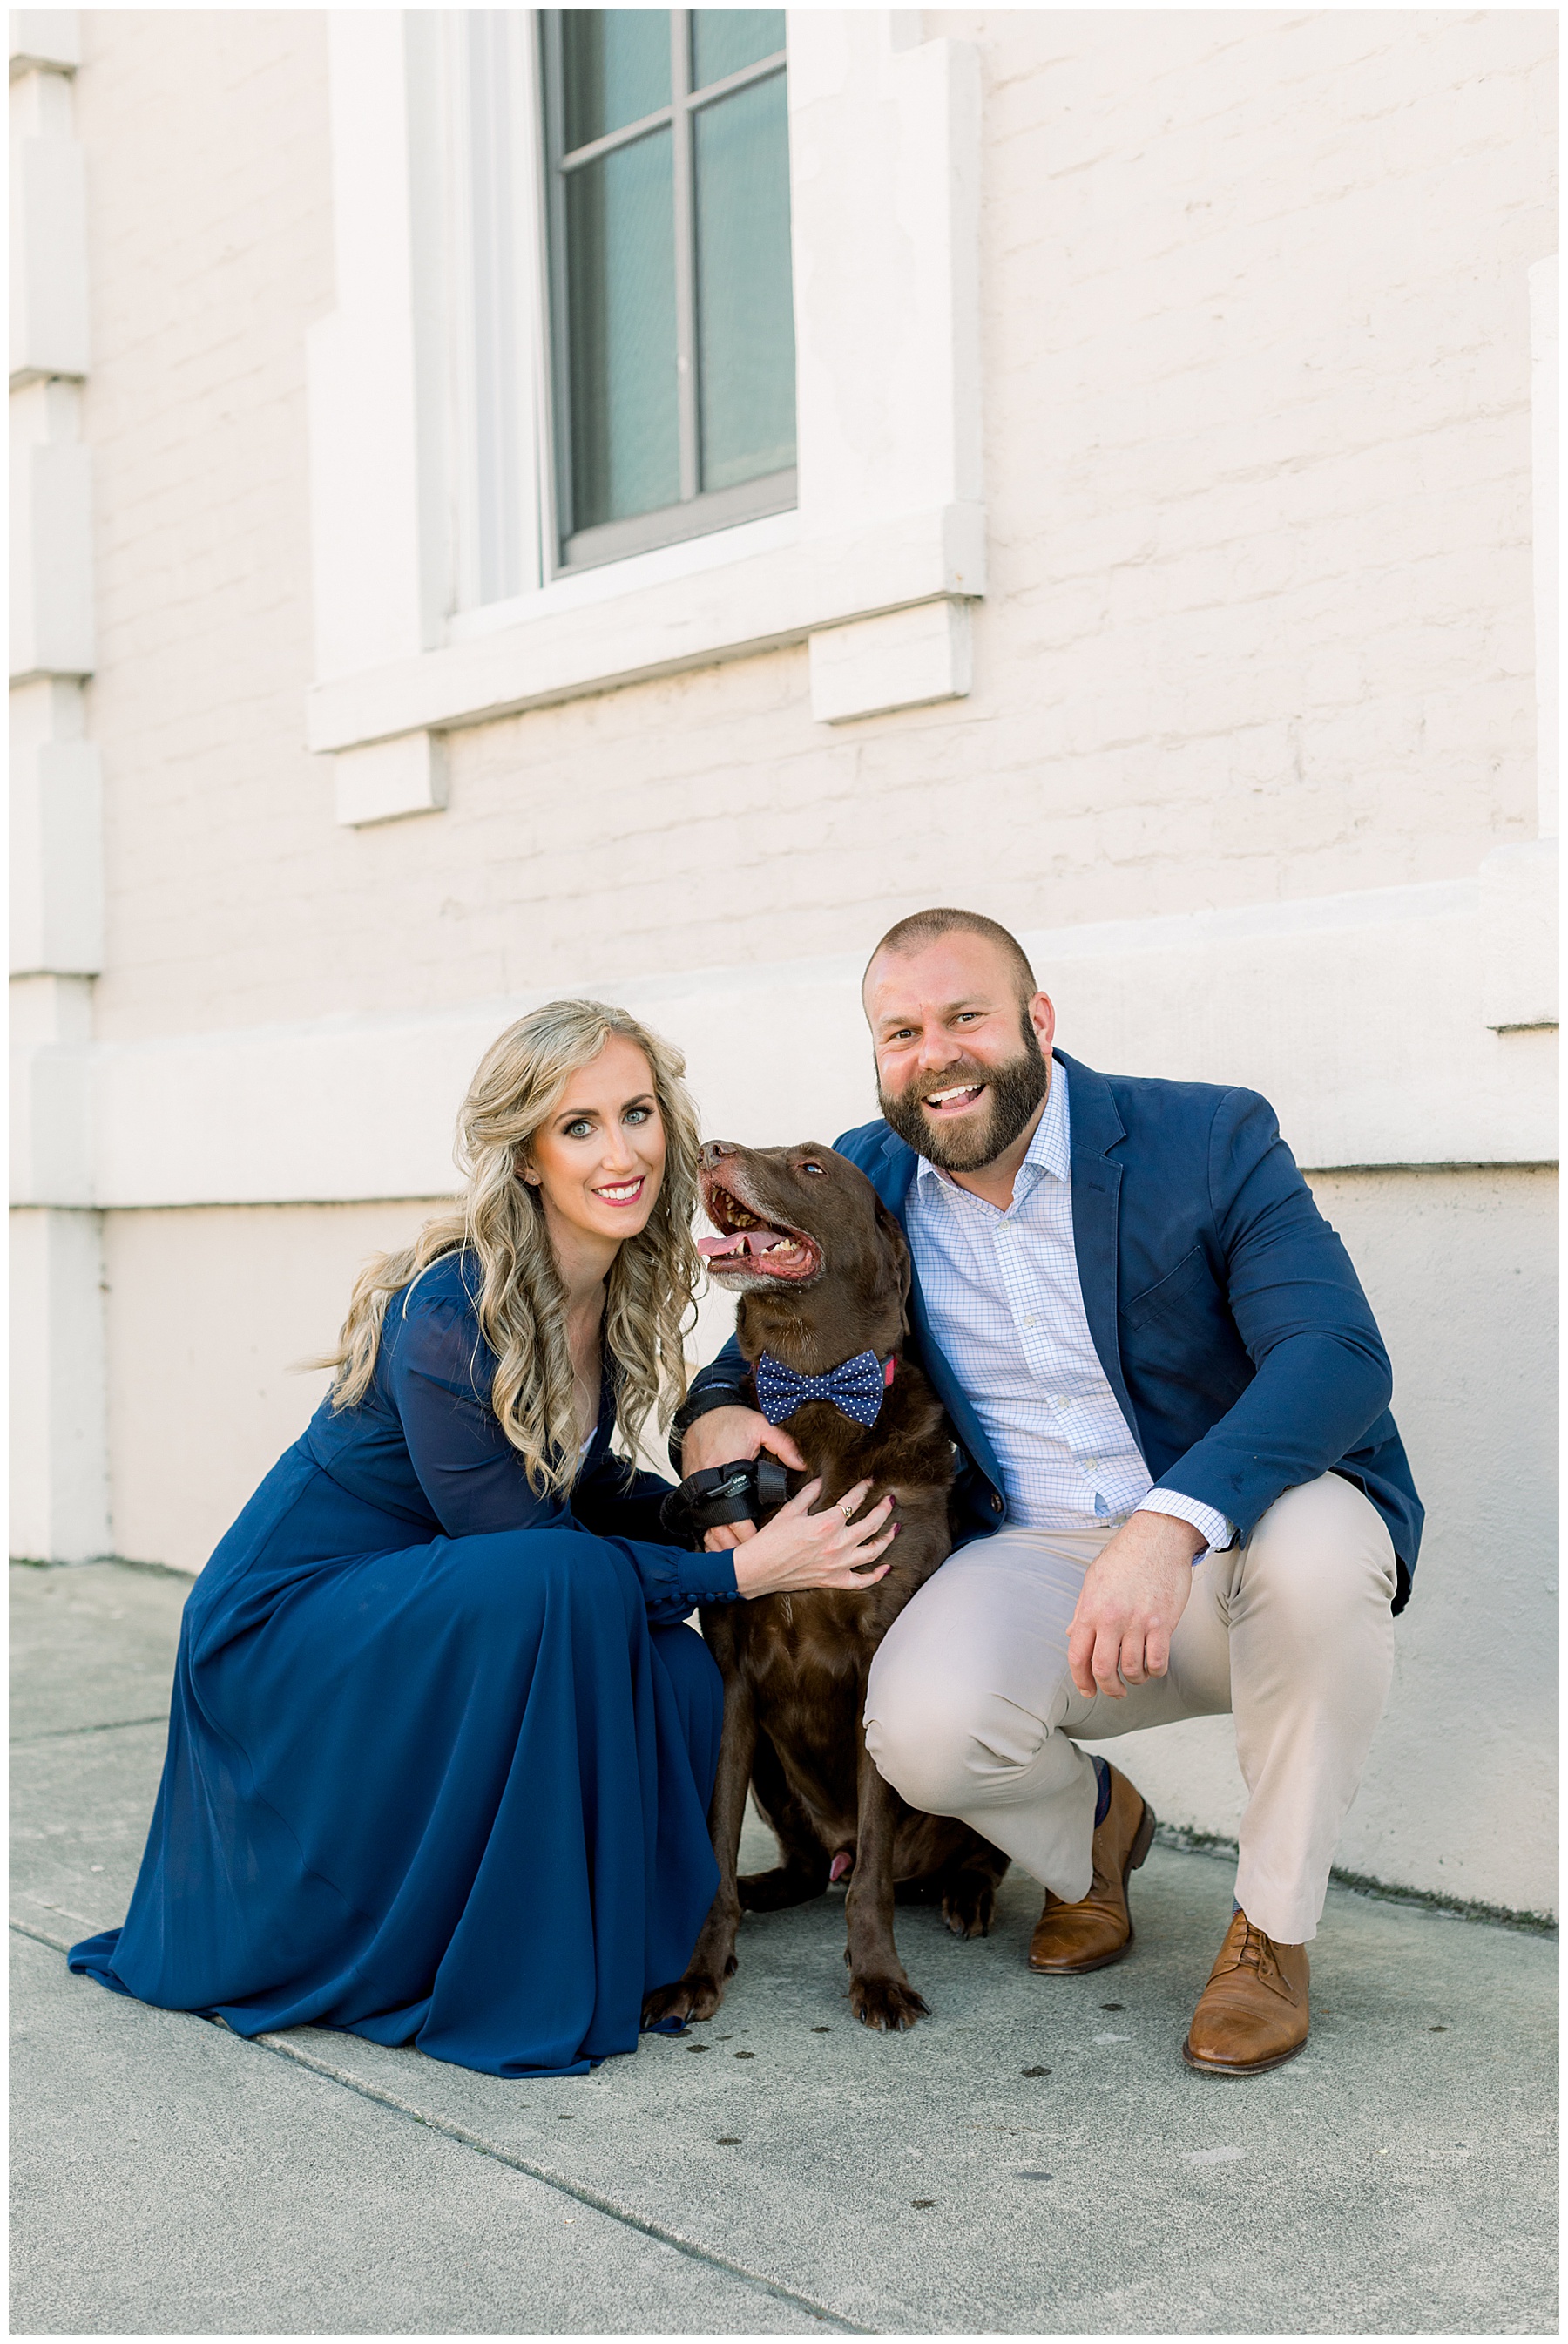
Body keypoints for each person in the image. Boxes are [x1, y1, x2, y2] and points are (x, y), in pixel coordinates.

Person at [69, 1001, 896, 2078]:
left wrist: (695, 1502)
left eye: (637, 1113)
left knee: (683, 1670)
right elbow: (525, 1546)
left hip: (439, 1593)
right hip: (292, 1626)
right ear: (528, 1155)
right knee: (563, 1580)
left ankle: (630, 1950)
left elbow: (572, 1477)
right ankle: (470, 1954)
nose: (622, 1150)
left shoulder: (608, 1281)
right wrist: (742, 1569)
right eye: (580, 1126)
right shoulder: (454, 1307)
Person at [677, 910, 1422, 2076]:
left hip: (1236, 1531)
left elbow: (1335, 1353)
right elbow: (789, 1322)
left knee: (1328, 1546)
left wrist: (1169, 1521)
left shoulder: (1206, 1136)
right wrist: (710, 1407)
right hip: (1035, 1557)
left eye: (964, 1016)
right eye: (902, 1031)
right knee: (918, 1725)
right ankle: (1093, 1837)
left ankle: (1271, 1934)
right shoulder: (871, 1175)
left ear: (1037, 1020)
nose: (938, 1053)